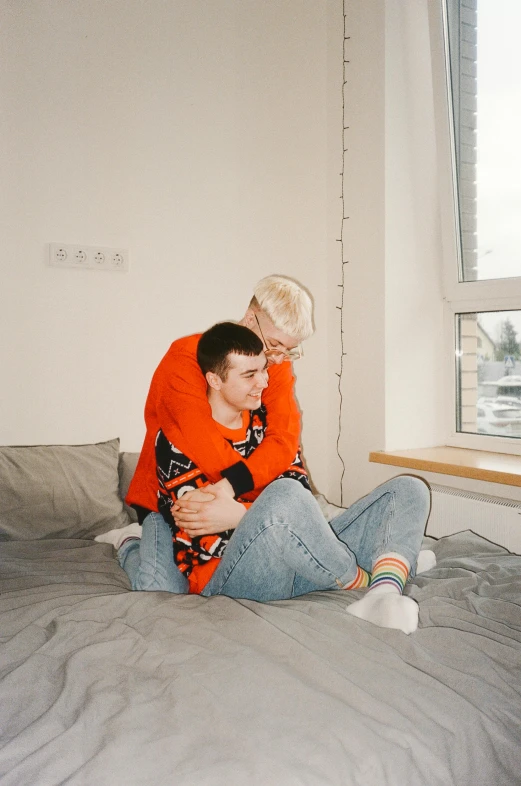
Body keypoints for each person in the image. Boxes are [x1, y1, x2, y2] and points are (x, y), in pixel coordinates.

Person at [98, 322, 432, 634]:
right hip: (231, 576)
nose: (264, 382)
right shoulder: (177, 440)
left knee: (409, 489)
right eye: (250, 374)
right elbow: (203, 534)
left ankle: (384, 591)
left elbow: (300, 500)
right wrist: (260, 511)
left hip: (301, 561)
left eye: (263, 370)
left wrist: (240, 513)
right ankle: (371, 577)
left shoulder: (266, 427)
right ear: (215, 380)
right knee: (279, 498)